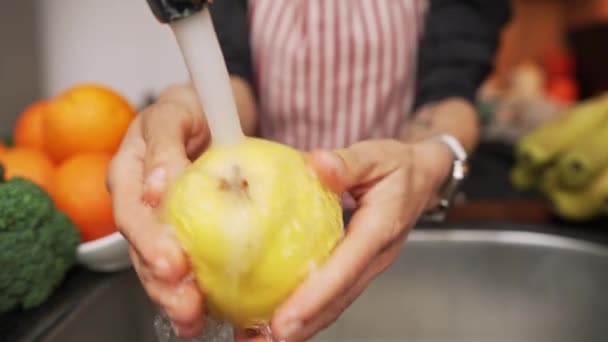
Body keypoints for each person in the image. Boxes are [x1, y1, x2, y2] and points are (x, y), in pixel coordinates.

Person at [107, 0, 511, 340]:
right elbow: (234, 76)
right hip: (261, 260)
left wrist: (430, 158)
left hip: (408, 230)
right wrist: (185, 106)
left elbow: (450, 90)